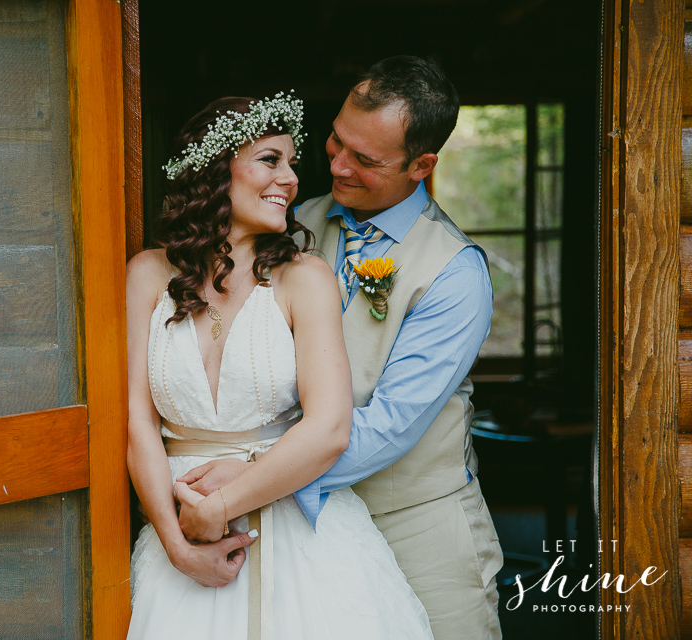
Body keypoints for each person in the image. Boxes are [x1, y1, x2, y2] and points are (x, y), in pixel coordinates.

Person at [179, 57, 504, 640]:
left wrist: (250, 477)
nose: (336, 165)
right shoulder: (285, 223)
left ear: (421, 166)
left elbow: (390, 426)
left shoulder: (455, 272)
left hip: (416, 527)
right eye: (335, 140)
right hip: (296, 530)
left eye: (365, 159)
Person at [125, 93, 433, 639]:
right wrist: (177, 542)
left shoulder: (304, 278)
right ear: (216, 170)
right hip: (180, 530)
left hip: (298, 534)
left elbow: (329, 429)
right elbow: (138, 424)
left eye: (292, 163)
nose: (290, 180)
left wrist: (218, 505)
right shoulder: (147, 275)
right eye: (271, 160)